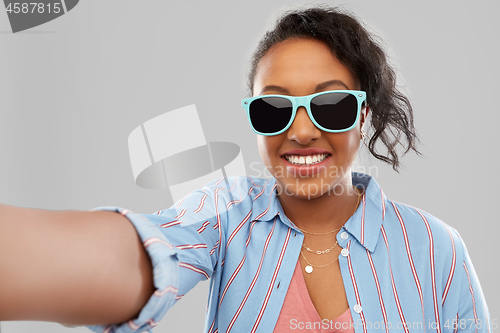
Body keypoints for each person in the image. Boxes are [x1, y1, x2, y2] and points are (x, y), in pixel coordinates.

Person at [0, 5, 491, 333]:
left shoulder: (436, 248)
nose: (300, 131)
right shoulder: (225, 215)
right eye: (274, 109)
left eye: (332, 105)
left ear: (364, 116)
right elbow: (146, 253)